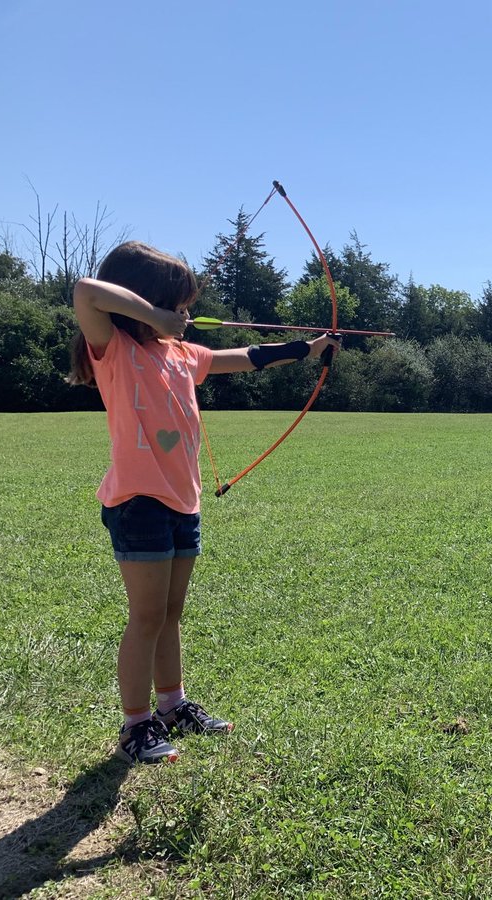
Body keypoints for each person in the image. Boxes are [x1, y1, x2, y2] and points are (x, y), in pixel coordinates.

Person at [68, 241, 339, 764]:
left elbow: (244, 357)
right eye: (179, 303)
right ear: (147, 301)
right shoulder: (115, 350)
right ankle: (135, 726)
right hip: (138, 503)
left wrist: (308, 348)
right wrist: (157, 317)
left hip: (182, 504)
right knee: (146, 617)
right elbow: (85, 292)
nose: (186, 314)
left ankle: (172, 707)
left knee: (170, 613)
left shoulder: (182, 355)